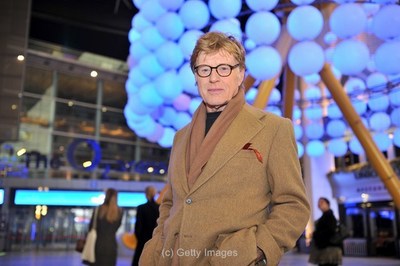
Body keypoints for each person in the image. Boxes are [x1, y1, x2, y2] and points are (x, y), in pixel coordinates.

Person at [139, 31, 310, 266]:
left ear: (240, 74)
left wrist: (256, 250)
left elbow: (294, 205)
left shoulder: (273, 128)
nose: (214, 78)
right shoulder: (181, 137)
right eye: (205, 69)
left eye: (224, 68)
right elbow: (172, 201)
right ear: (196, 78)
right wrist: (156, 245)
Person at [87, 188, 123, 266]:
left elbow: (91, 227)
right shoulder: (119, 211)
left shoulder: (98, 209)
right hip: (112, 246)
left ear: (106, 196)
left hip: (98, 245)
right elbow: (117, 227)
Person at [309, 197, 342, 266]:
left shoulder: (329, 215)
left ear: (328, 204)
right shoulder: (326, 215)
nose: (319, 204)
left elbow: (330, 231)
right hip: (326, 249)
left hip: (329, 250)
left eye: (322, 202)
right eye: (318, 202)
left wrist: (315, 234)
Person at [132, 186, 160, 266]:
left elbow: (138, 227)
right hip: (155, 240)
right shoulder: (159, 208)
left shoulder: (141, 208)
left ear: (146, 194)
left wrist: (139, 238)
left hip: (143, 241)